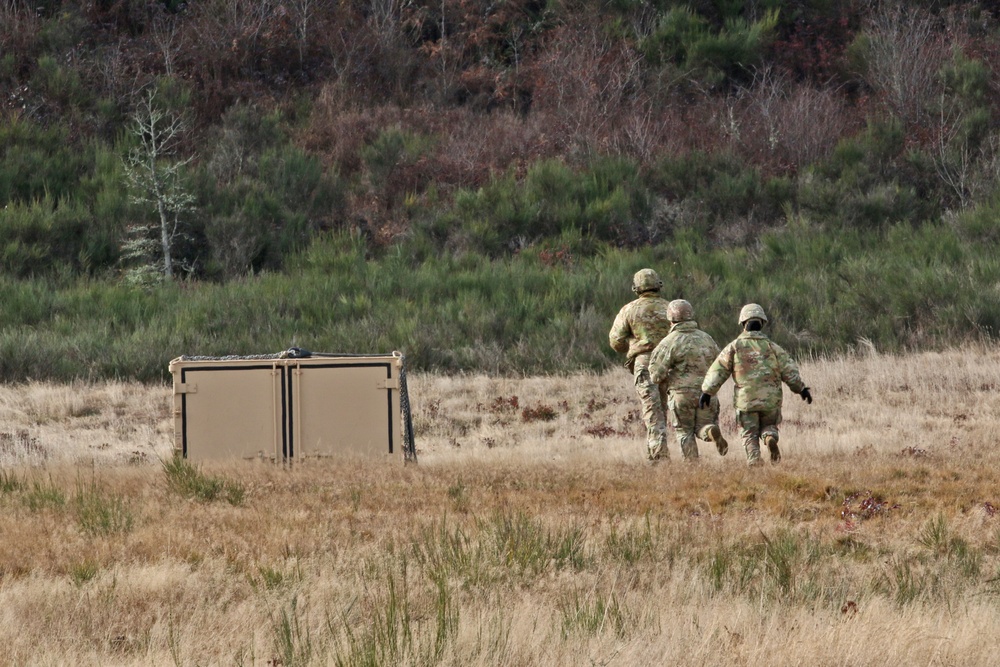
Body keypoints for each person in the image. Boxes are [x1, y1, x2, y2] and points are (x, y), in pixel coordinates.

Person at [699, 303, 812, 466]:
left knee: (749, 432)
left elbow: (719, 370)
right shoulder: (773, 347)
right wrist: (801, 389)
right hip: (770, 401)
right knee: (769, 425)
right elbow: (789, 370)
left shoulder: (734, 347)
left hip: (746, 401)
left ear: (743, 323)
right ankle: (770, 437)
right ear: (762, 323)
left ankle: (754, 460)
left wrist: (707, 391)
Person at [648, 299, 728, 461]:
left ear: (670, 319)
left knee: (684, 431)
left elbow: (655, 375)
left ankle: (692, 467)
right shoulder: (707, 339)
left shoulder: (668, 342)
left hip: (681, 395)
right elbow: (722, 366)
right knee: (702, 426)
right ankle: (710, 431)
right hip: (707, 394)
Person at [609, 268, 673, 462]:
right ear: (659, 285)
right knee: (666, 407)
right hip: (669, 362)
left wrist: (633, 343)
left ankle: (659, 455)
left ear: (635, 288)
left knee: (652, 409)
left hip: (644, 363)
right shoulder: (671, 308)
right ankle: (675, 451)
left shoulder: (629, 310)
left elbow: (616, 341)